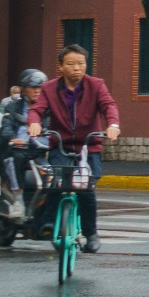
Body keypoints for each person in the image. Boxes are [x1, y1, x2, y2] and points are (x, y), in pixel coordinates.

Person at [26, 45, 120, 253]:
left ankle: (91, 234)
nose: (77, 68)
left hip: (89, 145)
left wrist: (113, 125)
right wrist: (34, 123)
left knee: (86, 190)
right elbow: (36, 109)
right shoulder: (50, 88)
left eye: (81, 64)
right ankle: (49, 223)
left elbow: (109, 105)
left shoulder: (96, 85)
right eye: (71, 64)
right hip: (61, 144)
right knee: (55, 182)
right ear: (60, 67)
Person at [0, 71, 39, 220]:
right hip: (17, 150)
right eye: (33, 87)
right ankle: (18, 200)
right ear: (23, 88)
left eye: (40, 87)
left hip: (38, 150)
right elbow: (6, 127)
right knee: (15, 157)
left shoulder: (46, 108)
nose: (37, 91)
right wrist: (13, 138)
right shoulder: (13, 107)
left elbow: (52, 127)